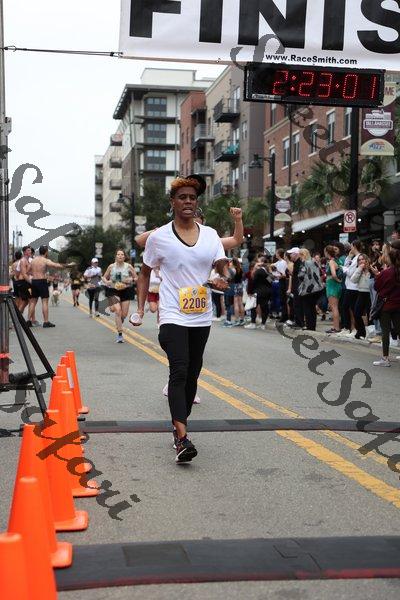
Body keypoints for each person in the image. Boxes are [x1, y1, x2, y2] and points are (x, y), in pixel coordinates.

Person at [130, 175, 228, 463]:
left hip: (201, 315)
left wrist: (220, 277)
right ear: (172, 202)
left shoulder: (210, 235)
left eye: (192, 198)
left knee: (193, 375)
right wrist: (140, 309)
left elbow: (221, 267)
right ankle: (183, 439)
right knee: (180, 370)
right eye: (182, 197)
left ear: (197, 203)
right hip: (172, 313)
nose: (188, 201)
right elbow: (144, 273)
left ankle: (178, 426)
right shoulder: (159, 237)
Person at [27, 245, 74, 328]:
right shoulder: (45, 260)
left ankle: (28, 321)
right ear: (46, 252)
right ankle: (46, 322)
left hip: (34, 281)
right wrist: (68, 265)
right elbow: (56, 265)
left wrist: (34, 273)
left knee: (33, 302)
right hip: (42, 281)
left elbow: (27, 271)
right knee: (44, 301)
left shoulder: (33, 260)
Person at [372, 241, 400, 366]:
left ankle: (385, 358)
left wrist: (378, 275)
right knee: (399, 329)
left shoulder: (387, 272)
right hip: (398, 304)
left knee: (385, 332)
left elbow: (377, 287)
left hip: (386, 305)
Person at [102, 249, 138, 343]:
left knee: (124, 315)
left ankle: (118, 322)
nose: (120, 256)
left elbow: (136, 278)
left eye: (122, 254)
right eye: (118, 254)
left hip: (126, 290)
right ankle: (120, 334)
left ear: (124, 257)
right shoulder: (111, 266)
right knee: (118, 310)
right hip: (113, 290)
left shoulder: (128, 266)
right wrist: (107, 282)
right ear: (116, 256)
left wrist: (131, 279)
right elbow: (104, 277)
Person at [298, 248, 324, 331]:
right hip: (316, 288)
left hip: (307, 288)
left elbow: (301, 276)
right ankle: (313, 326)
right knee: (312, 307)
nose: (299, 257)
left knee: (307, 307)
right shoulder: (314, 262)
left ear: (302, 255)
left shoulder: (304, 263)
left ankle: (309, 326)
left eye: (299, 255)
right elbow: (320, 273)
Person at [341, 239, 363, 336]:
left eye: (351, 246)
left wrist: (343, 269)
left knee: (350, 308)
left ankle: (353, 329)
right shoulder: (354, 257)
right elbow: (347, 265)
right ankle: (349, 328)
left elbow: (350, 272)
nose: (350, 248)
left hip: (353, 287)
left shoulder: (359, 258)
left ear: (354, 246)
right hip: (350, 286)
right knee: (347, 307)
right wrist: (349, 257)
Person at [244, 257, 273, 330]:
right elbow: (270, 281)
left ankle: (253, 323)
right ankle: (263, 324)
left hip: (257, 292)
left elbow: (252, 283)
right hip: (266, 292)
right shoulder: (266, 271)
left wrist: (250, 292)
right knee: (264, 308)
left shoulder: (257, 271)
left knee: (253, 308)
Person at [350, 253, 372, 339]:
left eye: (363, 259)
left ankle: (371, 333)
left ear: (367, 260)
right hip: (361, 293)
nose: (361, 261)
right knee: (356, 313)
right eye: (359, 260)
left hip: (370, 294)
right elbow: (353, 280)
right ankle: (361, 331)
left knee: (370, 314)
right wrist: (359, 269)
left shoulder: (371, 269)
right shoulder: (359, 270)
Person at [324, 245, 342, 334]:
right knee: (335, 307)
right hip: (334, 285)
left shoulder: (331, 261)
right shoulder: (337, 260)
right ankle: (335, 327)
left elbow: (334, 274)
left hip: (332, 285)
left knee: (334, 307)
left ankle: (336, 328)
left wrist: (338, 280)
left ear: (327, 252)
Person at [286, 247, 304, 328]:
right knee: (296, 304)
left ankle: (299, 322)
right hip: (296, 286)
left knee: (298, 305)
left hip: (298, 287)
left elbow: (299, 276)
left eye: (291, 254)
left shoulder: (299, 263)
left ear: (296, 254)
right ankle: (298, 321)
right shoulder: (296, 262)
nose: (290, 255)